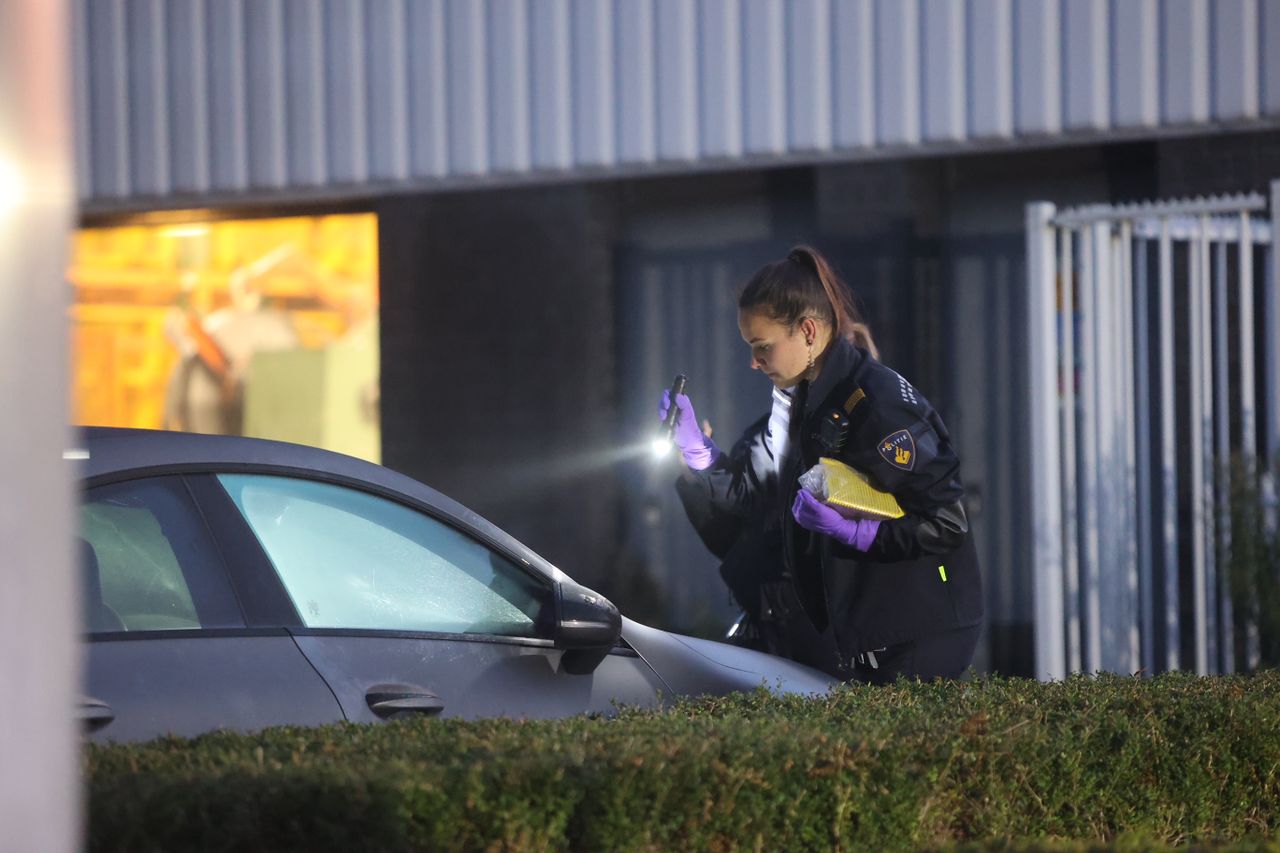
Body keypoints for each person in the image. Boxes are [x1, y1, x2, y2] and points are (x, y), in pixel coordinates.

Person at [661, 245, 983, 684]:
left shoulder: (878, 406)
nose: (753, 363)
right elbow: (753, 510)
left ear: (808, 331)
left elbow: (947, 521)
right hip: (862, 635)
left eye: (762, 347)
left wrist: (858, 532)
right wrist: (699, 457)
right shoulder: (805, 405)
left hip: (915, 633)